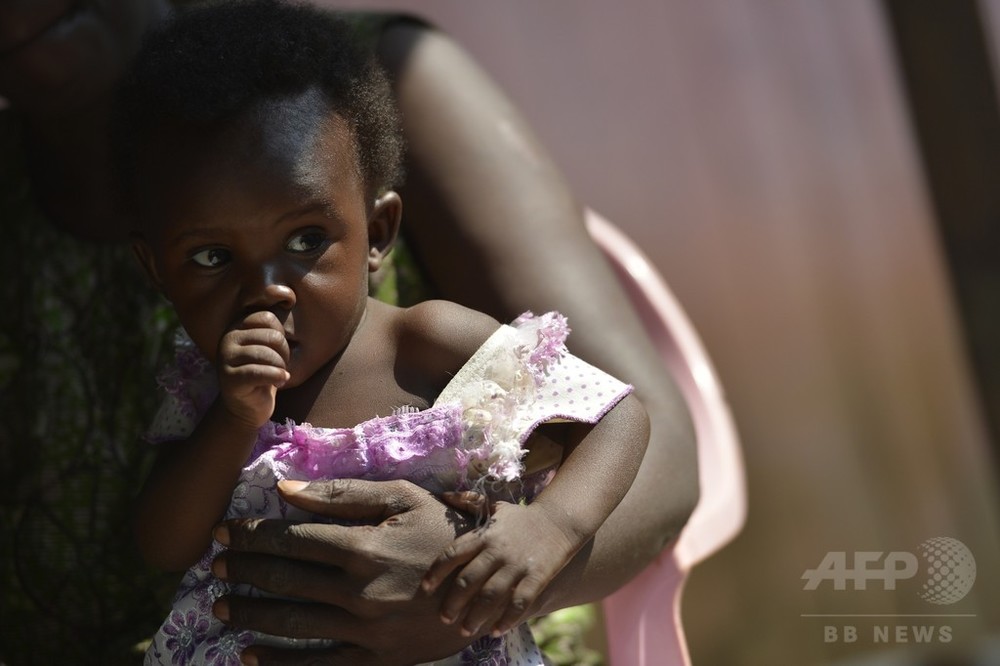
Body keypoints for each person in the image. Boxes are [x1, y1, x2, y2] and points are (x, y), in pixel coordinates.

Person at [0, 0, 697, 663]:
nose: (266, 288)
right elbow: (163, 543)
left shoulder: (428, 342)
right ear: (156, 269)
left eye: (306, 240)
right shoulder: (205, 386)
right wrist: (233, 420)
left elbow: (618, 414)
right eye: (212, 258)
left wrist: (550, 531)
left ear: (378, 232)